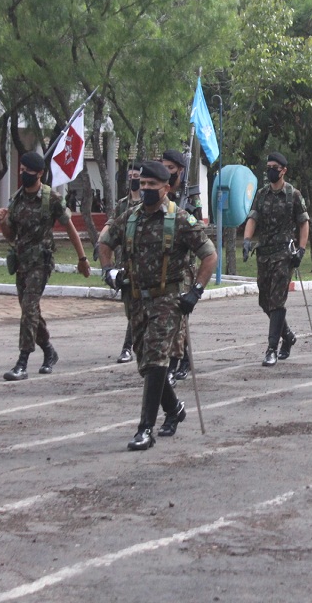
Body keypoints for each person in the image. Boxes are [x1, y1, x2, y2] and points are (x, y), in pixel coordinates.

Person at [97, 161, 217, 450]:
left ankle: (145, 429)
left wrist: (196, 291)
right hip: (136, 299)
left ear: (166, 188)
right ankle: (174, 409)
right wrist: (109, 271)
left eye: (153, 185)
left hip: (168, 300)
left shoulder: (180, 220)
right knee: (146, 363)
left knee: (156, 359)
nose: (147, 189)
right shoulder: (129, 218)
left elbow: (209, 255)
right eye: (144, 184)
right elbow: (105, 241)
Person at [0, 151, 92, 381]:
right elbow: (11, 235)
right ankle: (49, 350)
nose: (23, 174)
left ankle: (22, 361)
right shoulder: (16, 199)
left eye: (28, 171)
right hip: (21, 262)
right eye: (21, 170)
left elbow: (70, 228)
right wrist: (2, 222)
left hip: (41, 262)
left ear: (39, 173)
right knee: (30, 311)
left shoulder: (51, 198)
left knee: (29, 308)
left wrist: (82, 259)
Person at [243, 152, 309, 366]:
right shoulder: (262, 194)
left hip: (283, 254)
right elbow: (253, 217)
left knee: (277, 300)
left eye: (275, 167)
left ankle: (272, 348)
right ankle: (287, 335)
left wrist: (301, 249)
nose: (271, 170)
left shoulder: (293, 194)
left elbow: (303, 222)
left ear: (283, 170)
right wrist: (246, 240)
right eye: (268, 166)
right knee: (265, 301)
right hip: (264, 254)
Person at [161, 149, 201, 381]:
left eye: (171, 168)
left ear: (181, 170)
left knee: (178, 314)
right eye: (164, 167)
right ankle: (176, 358)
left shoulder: (190, 197)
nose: (167, 172)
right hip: (164, 263)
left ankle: (177, 362)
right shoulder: (159, 194)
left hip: (184, 265)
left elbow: (197, 229)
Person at [111, 163, 144, 364]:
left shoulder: (148, 204)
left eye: (136, 175)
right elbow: (112, 225)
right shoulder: (122, 205)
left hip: (145, 262)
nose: (133, 179)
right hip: (126, 262)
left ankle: (127, 347)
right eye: (130, 175)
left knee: (136, 308)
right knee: (130, 309)